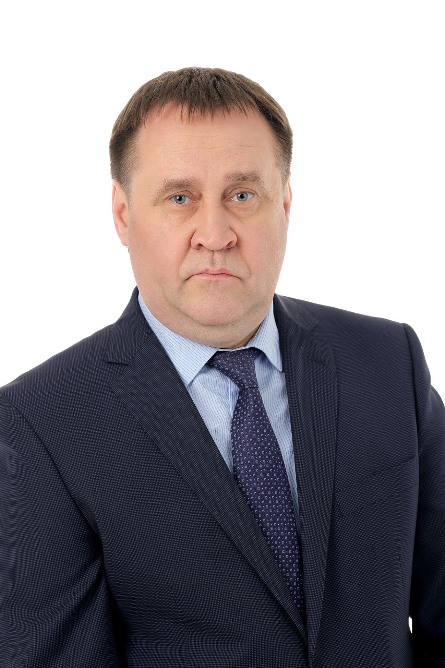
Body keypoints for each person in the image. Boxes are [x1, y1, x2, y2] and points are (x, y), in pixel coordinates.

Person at [0, 67, 444, 668]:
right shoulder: (40, 422)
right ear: (123, 215)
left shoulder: (388, 361)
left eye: (242, 195)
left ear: (283, 204)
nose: (214, 234)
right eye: (180, 198)